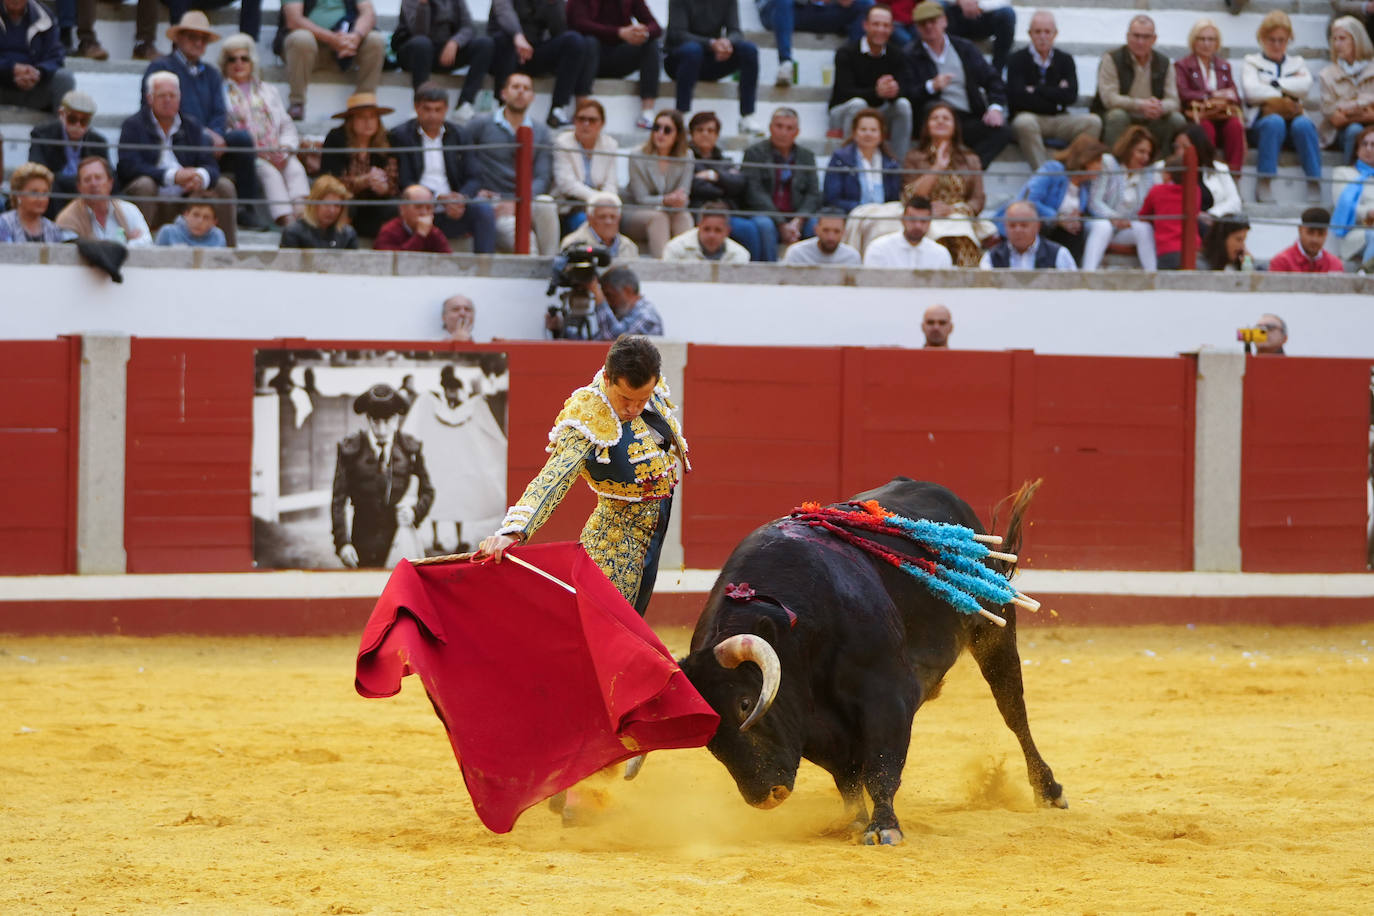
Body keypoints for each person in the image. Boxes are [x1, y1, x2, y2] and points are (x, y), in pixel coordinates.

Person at [476, 335, 687, 615]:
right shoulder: (588, 416)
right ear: (608, 379)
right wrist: (514, 531)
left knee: (630, 619)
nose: (633, 409)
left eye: (642, 399)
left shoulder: (650, 387)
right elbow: (555, 476)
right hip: (615, 543)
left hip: (652, 534)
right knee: (612, 625)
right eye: (625, 398)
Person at [144, 12, 261, 230]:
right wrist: (206, 133)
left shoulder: (212, 74)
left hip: (209, 139)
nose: (198, 43)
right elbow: (160, 109)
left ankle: (246, 208)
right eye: (192, 37)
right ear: (179, 38)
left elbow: (219, 111)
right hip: (176, 136)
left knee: (243, 140)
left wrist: (216, 133)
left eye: (203, 39)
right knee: (203, 141)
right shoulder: (161, 67)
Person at [118, 71, 238, 246]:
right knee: (144, 185)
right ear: (150, 98)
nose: (168, 100)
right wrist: (172, 176)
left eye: (172, 95)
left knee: (224, 186)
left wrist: (200, 176)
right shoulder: (133, 126)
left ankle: (229, 251)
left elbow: (210, 165)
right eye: (162, 96)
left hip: (187, 199)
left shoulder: (192, 125)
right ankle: (139, 249)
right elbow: (128, 167)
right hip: (152, 195)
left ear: (179, 98)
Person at [403, 363, 508, 554]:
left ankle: (458, 539)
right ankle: (437, 538)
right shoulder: (435, 404)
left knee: (458, 499)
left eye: (453, 389)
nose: (451, 393)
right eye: (449, 389)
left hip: (456, 464)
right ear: (445, 389)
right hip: (441, 463)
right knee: (439, 498)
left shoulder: (462, 407)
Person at [332, 384, 435, 569]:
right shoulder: (350, 450)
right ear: (368, 419)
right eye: (375, 421)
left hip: (400, 539)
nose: (381, 429)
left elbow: (428, 491)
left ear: (396, 419)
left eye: (387, 421)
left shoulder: (410, 448)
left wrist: (415, 512)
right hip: (362, 541)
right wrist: (342, 543)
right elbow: (338, 501)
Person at [388, 82, 497, 252]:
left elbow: (474, 176)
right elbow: (405, 180)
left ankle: (485, 265)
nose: (432, 115)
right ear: (416, 108)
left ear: (446, 109)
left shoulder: (461, 135)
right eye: (427, 109)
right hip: (418, 206)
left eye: (437, 110)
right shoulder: (401, 135)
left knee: (483, 210)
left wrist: (460, 199)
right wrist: (437, 198)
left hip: (454, 207)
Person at [462, 72, 561, 254]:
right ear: (503, 93)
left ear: (532, 97)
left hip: (527, 200)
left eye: (526, 88)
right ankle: (536, 266)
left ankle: (552, 261)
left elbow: (543, 176)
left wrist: (519, 202)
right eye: (515, 87)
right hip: (495, 203)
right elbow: (463, 160)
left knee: (546, 203)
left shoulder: (541, 131)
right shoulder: (480, 124)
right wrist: (475, 190)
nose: (521, 92)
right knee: (528, 244)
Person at [903, 1, 1011, 169]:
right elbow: (906, 94)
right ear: (917, 28)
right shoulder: (909, 54)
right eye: (923, 23)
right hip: (931, 120)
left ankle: (967, 171)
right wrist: (930, 87)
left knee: (1002, 130)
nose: (929, 26)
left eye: (933, 21)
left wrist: (995, 107)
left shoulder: (964, 48)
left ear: (944, 21)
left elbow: (993, 79)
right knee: (934, 109)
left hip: (965, 118)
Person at [220, 33, 310, 228]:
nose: (238, 63)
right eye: (232, 59)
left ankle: (303, 219)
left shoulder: (269, 90)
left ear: (252, 61)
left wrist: (284, 148)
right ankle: (288, 223)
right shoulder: (220, 93)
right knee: (271, 174)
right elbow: (224, 129)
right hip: (250, 155)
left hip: (277, 148)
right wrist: (261, 152)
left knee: (294, 168)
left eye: (244, 58)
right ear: (224, 64)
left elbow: (286, 125)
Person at [1241, 11, 1322, 202]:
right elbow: (1251, 91)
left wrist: (1273, 84)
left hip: (1294, 123)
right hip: (1262, 125)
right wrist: (1288, 91)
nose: (1277, 45)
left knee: (1304, 125)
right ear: (1262, 38)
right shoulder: (1251, 62)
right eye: (1272, 40)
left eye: (1282, 40)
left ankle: (1314, 181)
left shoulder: (1297, 62)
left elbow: (1305, 86)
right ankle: (1265, 181)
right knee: (1274, 122)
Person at [901, 100, 994, 266]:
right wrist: (938, 166)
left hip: (959, 214)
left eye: (946, 118)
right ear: (927, 126)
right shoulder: (914, 157)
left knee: (960, 231)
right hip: (924, 215)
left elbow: (977, 199)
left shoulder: (971, 159)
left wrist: (953, 209)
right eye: (935, 118)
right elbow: (910, 195)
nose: (940, 121)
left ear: (954, 126)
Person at [995, 133, 1107, 268]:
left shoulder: (1086, 185)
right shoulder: (1053, 169)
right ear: (1086, 160)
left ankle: (1075, 272)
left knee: (1078, 230)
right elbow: (1028, 200)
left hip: (1062, 233)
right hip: (1040, 227)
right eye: (1098, 162)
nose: (1101, 168)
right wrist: (1058, 218)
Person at [1007, 10, 1101, 170]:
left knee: (1093, 122)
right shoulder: (1016, 59)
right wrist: (1056, 95)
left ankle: (1071, 171)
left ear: (1055, 34)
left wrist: (1036, 90)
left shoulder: (1065, 60)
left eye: (1047, 32)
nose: (1042, 36)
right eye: (1038, 32)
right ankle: (1044, 174)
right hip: (1031, 118)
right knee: (1024, 123)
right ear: (1030, 34)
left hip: (1060, 119)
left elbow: (1071, 96)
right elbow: (1017, 98)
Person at [488, 0, 597, 129]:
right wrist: (517, 36)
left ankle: (557, 109)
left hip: (532, 52)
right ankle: (502, 105)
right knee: (505, 39)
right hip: (504, 52)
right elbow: (504, 14)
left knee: (574, 41)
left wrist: (553, 4)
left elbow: (559, 30)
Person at [664, 0, 762, 135]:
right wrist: (710, 43)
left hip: (711, 59)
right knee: (693, 50)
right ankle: (682, 114)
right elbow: (677, 34)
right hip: (679, 61)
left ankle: (747, 116)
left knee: (749, 50)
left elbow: (736, 32)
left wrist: (727, 43)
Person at [278, 0, 386, 122]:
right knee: (301, 38)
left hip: (348, 49)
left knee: (375, 39)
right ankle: (297, 102)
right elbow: (294, 20)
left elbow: (368, 13)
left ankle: (364, 103)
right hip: (309, 51)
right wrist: (331, 39)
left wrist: (355, 36)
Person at [829, 6, 913, 160]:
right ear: (865, 25)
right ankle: (851, 164)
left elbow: (906, 89)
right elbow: (844, 92)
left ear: (892, 29)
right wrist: (877, 92)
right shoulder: (846, 53)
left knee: (903, 105)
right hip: (845, 110)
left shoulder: (897, 54)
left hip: (879, 110)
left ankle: (897, 166)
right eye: (876, 24)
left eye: (885, 25)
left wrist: (894, 91)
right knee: (858, 104)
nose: (881, 30)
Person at [1092, 15, 1186, 153]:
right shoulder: (1111, 59)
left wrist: (1159, 107)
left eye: (1146, 37)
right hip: (1124, 115)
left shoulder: (1164, 63)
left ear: (1154, 39)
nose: (1140, 42)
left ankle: (1163, 163)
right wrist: (1140, 105)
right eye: (1136, 36)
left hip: (1153, 118)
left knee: (1177, 119)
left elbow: (1174, 101)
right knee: (1117, 116)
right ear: (1127, 36)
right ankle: (1114, 161)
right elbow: (1109, 99)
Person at [392, 0, 494, 123]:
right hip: (415, 53)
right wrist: (423, 5)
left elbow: (468, 27)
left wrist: (455, 42)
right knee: (422, 43)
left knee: (485, 44)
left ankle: (464, 104)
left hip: (447, 52)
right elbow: (419, 32)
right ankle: (421, 102)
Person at [567, 0, 663, 129]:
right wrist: (618, 32)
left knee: (651, 44)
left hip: (618, 57)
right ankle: (581, 110)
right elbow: (579, 23)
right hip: (589, 57)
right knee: (589, 42)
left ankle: (647, 113)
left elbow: (655, 26)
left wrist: (643, 32)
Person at [743, 107, 822, 257]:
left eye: (789, 128)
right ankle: (768, 269)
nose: (783, 132)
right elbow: (754, 192)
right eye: (779, 126)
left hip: (797, 216)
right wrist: (780, 222)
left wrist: (799, 220)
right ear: (770, 128)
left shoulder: (807, 156)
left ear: (797, 132)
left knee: (815, 225)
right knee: (764, 225)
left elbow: (813, 193)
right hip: (766, 214)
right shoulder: (754, 153)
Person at [822, 107, 902, 254]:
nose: (868, 134)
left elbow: (894, 198)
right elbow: (832, 198)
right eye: (863, 129)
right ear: (854, 133)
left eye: (873, 130)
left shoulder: (891, 163)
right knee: (875, 226)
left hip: (883, 214)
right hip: (854, 213)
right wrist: (863, 209)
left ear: (881, 135)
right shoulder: (840, 159)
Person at [320, 92, 398, 239]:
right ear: (351, 121)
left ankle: (385, 243)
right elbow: (330, 180)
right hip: (347, 199)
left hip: (376, 201)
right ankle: (339, 240)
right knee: (346, 204)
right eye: (362, 117)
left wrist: (384, 187)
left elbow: (393, 180)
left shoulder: (388, 140)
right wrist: (362, 181)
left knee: (395, 206)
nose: (368, 122)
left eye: (372, 117)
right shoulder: (336, 139)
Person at [687, 111, 762, 259]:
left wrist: (713, 176)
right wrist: (725, 184)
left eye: (710, 130)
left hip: (728, 214)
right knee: (747, 228)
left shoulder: (725, 160)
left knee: (752, 228)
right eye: (700, 130)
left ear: (717, 135)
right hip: (700, 212)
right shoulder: (686, 159)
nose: (705, 134)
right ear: (692, 134)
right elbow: (694, 186)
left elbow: (740, 184)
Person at [1175, 19, 1246, 175]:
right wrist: (1211, 95)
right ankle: (1209, 173)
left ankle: (1234, 176)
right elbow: (1184, 93)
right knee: (1205, 128)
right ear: (1194, 41)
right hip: (1199, 115)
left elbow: (1235, 95)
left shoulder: (1224, 66)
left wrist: (1228, 96)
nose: (1206, 44)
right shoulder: (1183, 65)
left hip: (1222, 114)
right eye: (1201, 39)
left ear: (1217, 43)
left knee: (1235, 126)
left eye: (1211, 39)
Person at [623, 109, 694, 258]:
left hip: (669, 210)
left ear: (678, 134)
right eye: (656, 128)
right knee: (659, 218)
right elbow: (641, 198)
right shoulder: (637, 155)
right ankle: (663, 266)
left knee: (683, 216)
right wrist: (665, 200)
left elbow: (684, 193)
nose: (660, 133)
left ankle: (688, 266)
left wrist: (679, 200)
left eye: (667, 130)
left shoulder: (687, 156)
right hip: (636, 210)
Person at [1086, 125, 1159, 269]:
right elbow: (1094, 201)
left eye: (1148, 153)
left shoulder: (1147, 175)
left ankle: (1153, 275)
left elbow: (1144, 211)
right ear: (1128, 148)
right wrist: (1114, 218)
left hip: (1124, 229)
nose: (1145, 158)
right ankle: (1087, 274)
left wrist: (1128, 222)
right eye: (1141, 151)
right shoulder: (1108, 163)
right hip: (1097, 223)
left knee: (1144, 228)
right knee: (1103, 227)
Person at [27, 89, 108, 218]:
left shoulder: (98, 141)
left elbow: (108, 174)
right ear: (61, 114)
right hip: (56, 195)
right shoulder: (42, 134)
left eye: (84, 121)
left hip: (87, 191)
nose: (77, 125)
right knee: (49, 185)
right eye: (72, 119)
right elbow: (38, 171)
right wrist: (78, 182)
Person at [759, 0, 872, 89]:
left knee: (866, 4)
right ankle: (785, 63)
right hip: (781, 10)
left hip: (818, 10)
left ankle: (856, 63)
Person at [552, 98, 620, 231]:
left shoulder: (610, 145)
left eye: (592, 120)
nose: (586, 124)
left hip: (601, 208)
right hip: (570, 206)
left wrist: (604, 204)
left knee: (611, 220)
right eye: (581, 119)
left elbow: (611, 184)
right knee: (585, 221)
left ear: (602, 123)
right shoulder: (562, 142)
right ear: (574, 121)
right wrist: (598, 200)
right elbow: (566, 184)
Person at [55, 155, 153, 246]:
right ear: (79, 187)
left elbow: (147, 243)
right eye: (87, 180)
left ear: (110, 183)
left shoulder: (129, 210)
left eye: (98, 178)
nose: (93, 184)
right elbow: (71, 253)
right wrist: (126, 244)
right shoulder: (68, 219)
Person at [0, 0, 74, 112]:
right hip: (2, 85)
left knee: (64, 78)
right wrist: (12, 69)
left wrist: (38, 72)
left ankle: (60, 123)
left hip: (34, 86)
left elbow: (56, 56)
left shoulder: (44, 15)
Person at [1318, 16, 1374, 164]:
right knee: (1355, 130)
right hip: (1341, 132)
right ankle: (1350, 175)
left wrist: (1352, 106)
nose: (1337, 44)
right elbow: (1336, 119)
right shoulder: (1327, 75)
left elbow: (1343, 113)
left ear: (1357, 39)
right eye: (1334, 39)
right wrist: (1366, 110)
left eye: (1342, 39)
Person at [1136, 153, 1205, 269]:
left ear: (1168, 175)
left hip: (1167, 250)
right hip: (1193, 249)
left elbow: (1143, 216)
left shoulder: (1157, 190)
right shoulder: (1196, 191)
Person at [1172, 123, 1241, 223]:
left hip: (1210, 223)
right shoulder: (1163, 169)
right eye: (1176, 147)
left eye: (1185, 147)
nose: (1180, 152)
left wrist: (1211, 215)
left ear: (1199, 147)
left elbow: (1235, 201)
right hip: (1177, 223)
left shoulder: (1219, 169)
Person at [980, 199, 1077, 269]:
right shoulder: (991, 257)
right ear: (1005, 227)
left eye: (1024, 225)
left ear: (1038, 226)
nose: (1018, 230)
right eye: (1012, 225)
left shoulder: (1059, 254)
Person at [863, 195, 955, 267]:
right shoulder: (879, 249)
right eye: (912, 220)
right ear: (902, 219)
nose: (918, 226)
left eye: (923, 221)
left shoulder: (940, 254)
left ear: (930, 222)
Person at [279, 174, 360, 249]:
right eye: (327, 204)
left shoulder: (348, 235)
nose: (332, 211)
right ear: (314, 203)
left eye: (337, 206)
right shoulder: (293, 233)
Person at [1332, 125, 1374, 265]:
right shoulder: (1343, 173)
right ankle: (1367, 274)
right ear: (1356, 149)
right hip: (1357, 232)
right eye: (1364, 144)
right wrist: (1369, 213)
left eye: (1373, 145)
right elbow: (1343, 206)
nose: (1368, 149)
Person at [559, 192, 641, 260]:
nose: (608, 222)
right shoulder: (572, 244)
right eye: (602, 217)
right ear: (590, 218)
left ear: (619, 218)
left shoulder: (629, 246)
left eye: (613, 217)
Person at [0, 162, 69, 242]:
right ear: (18, 194)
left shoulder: (53, 229)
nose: (41, 199)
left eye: (45, 193)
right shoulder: (3, 224)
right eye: (34, 192)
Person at [662, 200, 750, 262]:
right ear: (699, 226)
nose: (711, 235)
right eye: (707, 229)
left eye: (718, 230)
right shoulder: (675, 249)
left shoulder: (740, 255)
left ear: (727, 231)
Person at [374, 184, 453, 252]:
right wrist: (420, 235)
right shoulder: (389, 231)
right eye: (418, 207)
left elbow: (449, 261)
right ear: (403, 209)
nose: (424, 212)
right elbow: (393, 261)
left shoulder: (434, 233)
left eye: (429, 208)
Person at [943, 0, 1014, 75]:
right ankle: (943, 69)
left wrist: (979, 5)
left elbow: (1005, 2)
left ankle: (996, 73)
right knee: (938, 7)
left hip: (984, 14)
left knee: (1007, 13)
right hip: (955, 12)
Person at [591, 265, 662, 338]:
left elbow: (614, 339)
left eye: (610, 295)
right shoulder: (626, 314)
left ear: (628, 290)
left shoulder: (646, 316)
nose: (608, 302)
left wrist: (599, 300)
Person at [1267, 206, 1345, 272]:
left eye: (1320, 234)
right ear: (1300, 230)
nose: (1315, 239)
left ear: (1326, 233)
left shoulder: (1335, 265)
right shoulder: (1281, 263)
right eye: (1310, 232)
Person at [783, 207, 862, 264]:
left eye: (836, 231)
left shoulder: (852, 258)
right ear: (816, 230)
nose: (831, 237)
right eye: (825, 230)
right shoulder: (797, 254)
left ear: (844, 232)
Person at [155, 191, 227, 246]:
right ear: (186, 214)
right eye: (196, 215)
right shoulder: (168, 233)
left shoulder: (218, 236)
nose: (200, 221)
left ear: (214, 222)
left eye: (206, 217)